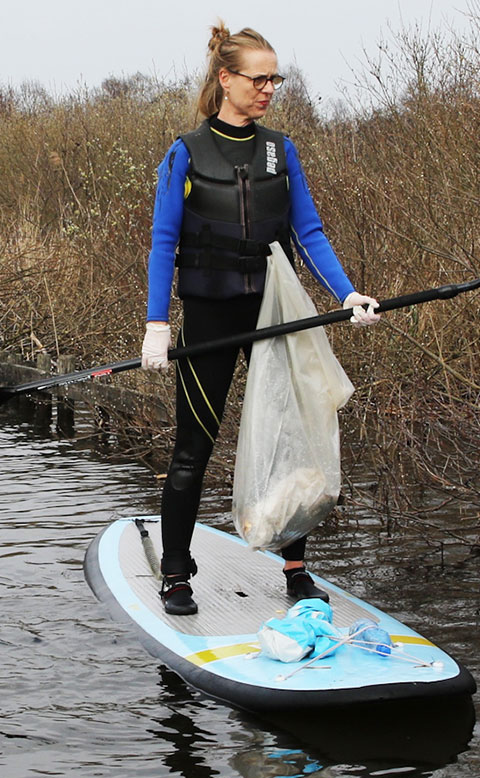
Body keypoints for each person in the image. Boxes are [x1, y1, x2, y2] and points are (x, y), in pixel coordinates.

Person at [140, 22, 382, 616]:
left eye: (276, 78)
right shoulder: (186, 152)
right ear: (226, 79)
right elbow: (164, 242)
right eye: (259, 78)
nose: (270, 88)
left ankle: (295, 569)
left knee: (291, 442)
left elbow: (309, 232)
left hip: (275, 314)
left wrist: (348, 293)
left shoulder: (281, 150)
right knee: (193, 449)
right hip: (209, 315)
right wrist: (156, 324)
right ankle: (176, 573)